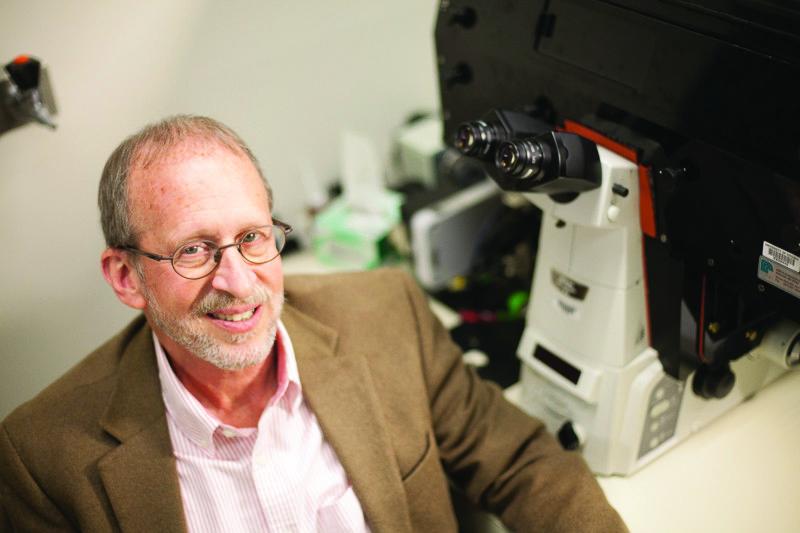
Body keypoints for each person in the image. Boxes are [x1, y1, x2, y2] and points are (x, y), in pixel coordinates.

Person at [0, 115, 627, 532]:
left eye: (251, 237)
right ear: (126, 277)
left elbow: (521, 462)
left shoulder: (387, 316)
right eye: (193, 250)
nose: (239, 282)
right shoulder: (40, 459)